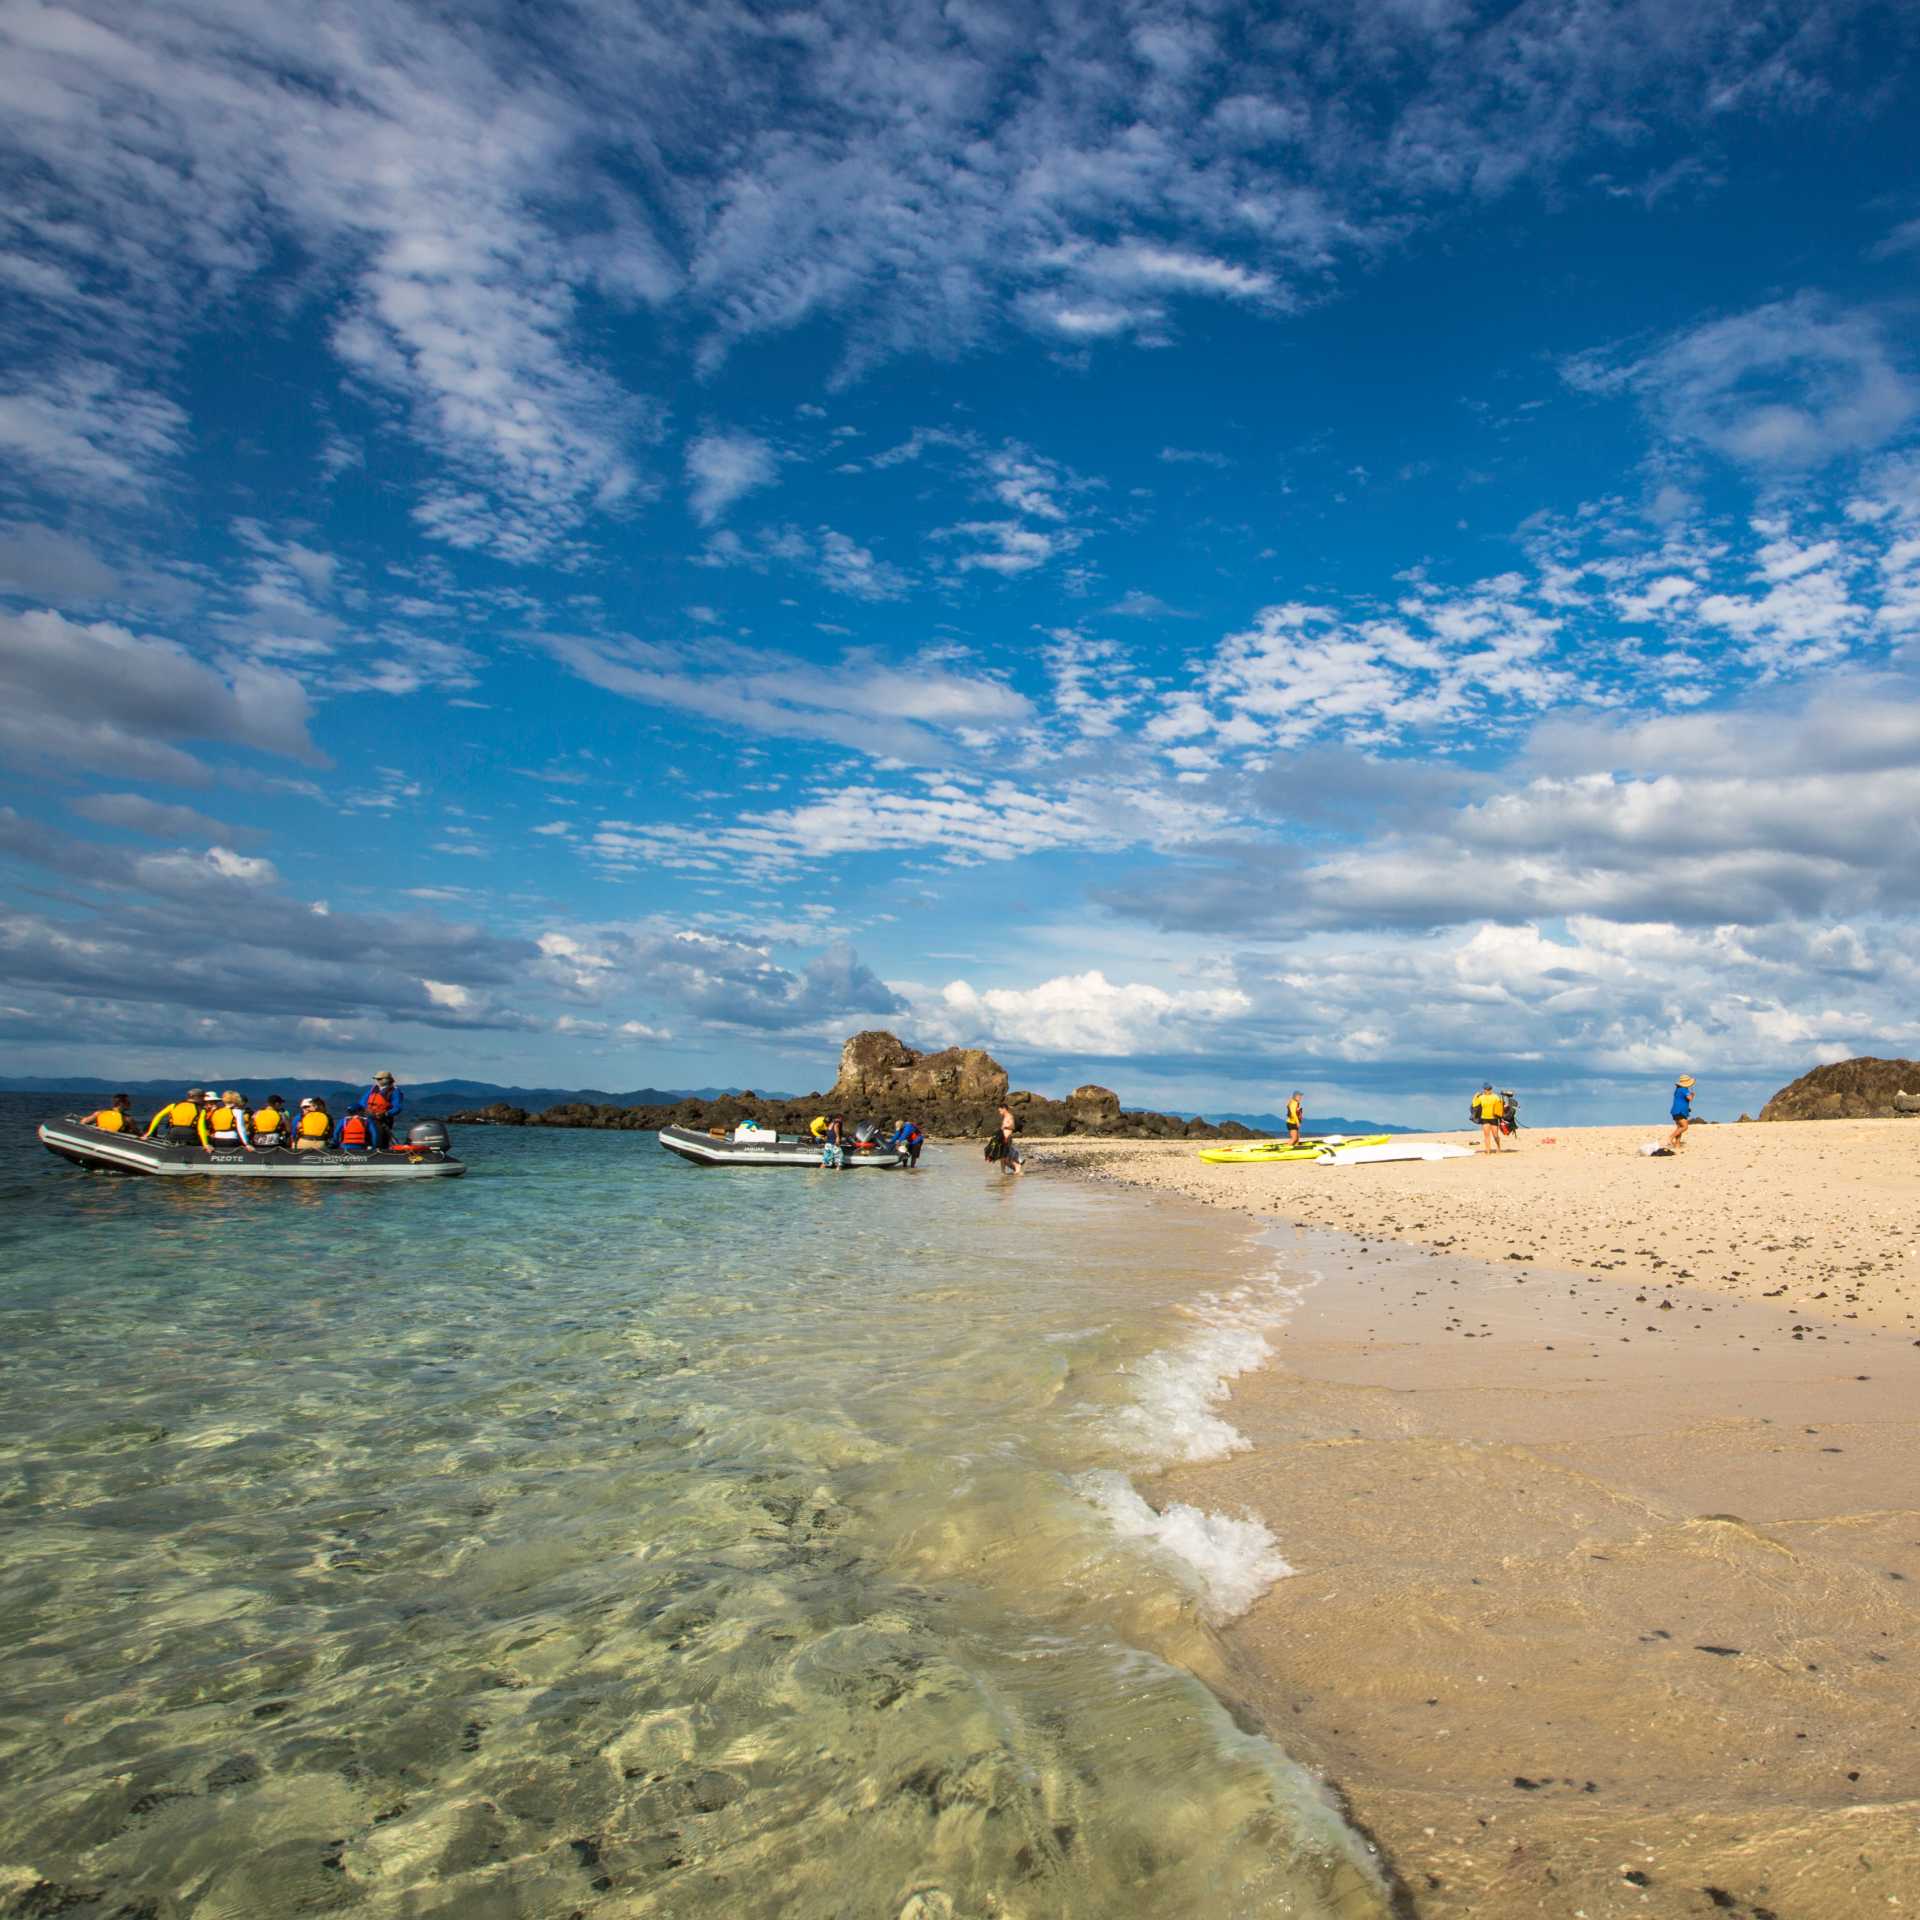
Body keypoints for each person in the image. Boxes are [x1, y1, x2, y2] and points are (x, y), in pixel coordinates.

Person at [362, 1070, 403, 1147]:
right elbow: (362, 1102)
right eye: (376, 1079)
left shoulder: (394, 1091)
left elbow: (397, 1107)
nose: (377, 1081)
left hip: (383, 1121)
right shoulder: (373, 1089)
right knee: (367, 1139)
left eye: (379, 1079)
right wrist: (365, 1110)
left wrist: (385, 1114)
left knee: (381, 1140)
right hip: (368, 1118)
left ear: (387, 1079)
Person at [1470, 1082, 1507, 1154]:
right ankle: (1488, 1151)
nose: (1488, 1090)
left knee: (1495, 1136)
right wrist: (1475, 1096)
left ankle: (1498, 1147)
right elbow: (1474, 1104)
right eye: (1486, 1089)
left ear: (1491, 1089)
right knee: (1486, 1136)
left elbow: (1500, 1106)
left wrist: (1504, 1106)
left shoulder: (1495, 1097)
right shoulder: (1481, 1097)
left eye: (1489, 1089)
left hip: (1493, 1118)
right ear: (1484, 1089)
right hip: (1484, 1118)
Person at [1667, 1074, 1695, 1151]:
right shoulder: (1684, 1090)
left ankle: (1677, 1144)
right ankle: (1671, 1137)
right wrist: (1693, 1095)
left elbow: (1681, 1100)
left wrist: (1687, 1108)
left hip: (1675, 1110)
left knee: (1679, 1128)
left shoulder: (1678, 1090)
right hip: (1680, 1111)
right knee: (1684, 1127)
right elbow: (1689, 1098)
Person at [996, 1101, 1023, 1177]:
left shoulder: (1009, 1116)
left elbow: (1013, 1127)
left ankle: (1017, 1166)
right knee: (1001, 1157)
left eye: (1000, 1110)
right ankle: (1003, 1172)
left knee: (1005, 1156)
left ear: (1004, 1109)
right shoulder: (1005, 1117)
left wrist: (1005, 1127)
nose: (999, 1112)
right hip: (1003, 1138)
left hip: (1007, 1138)